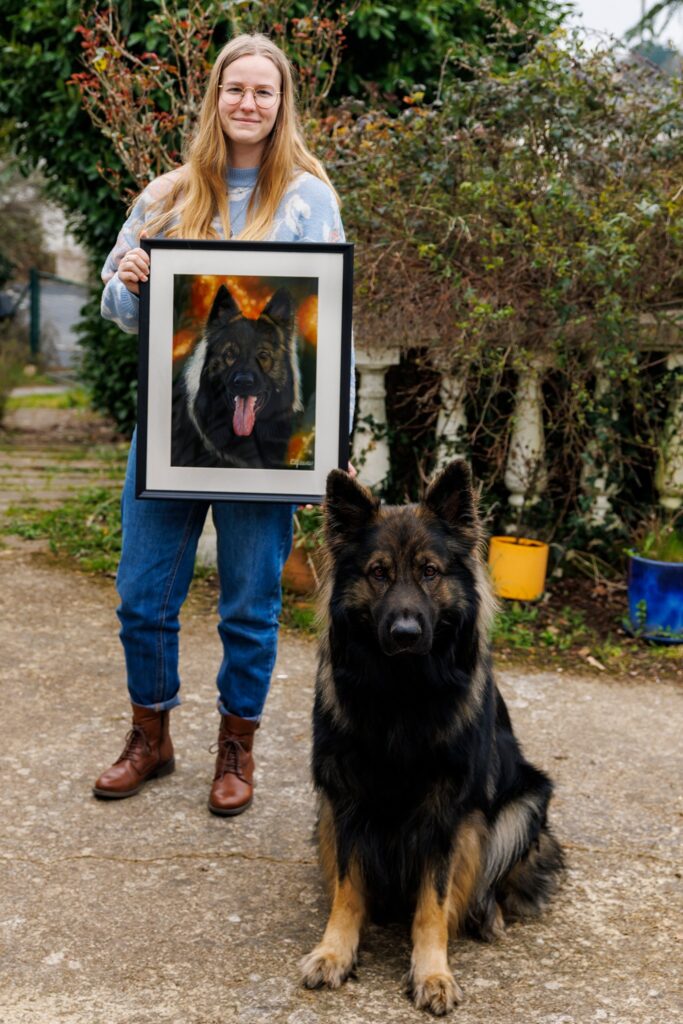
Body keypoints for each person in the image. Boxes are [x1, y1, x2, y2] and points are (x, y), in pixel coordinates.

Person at [93, 32, 353, 816]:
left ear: (281, 105)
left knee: (248, 603)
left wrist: (324, 459)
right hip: (170, 430)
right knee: (142, 597)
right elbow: (118, 309)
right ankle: (152, 735)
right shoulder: (165, 196)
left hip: (269, 449)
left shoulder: (309, 197)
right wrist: (131, 277)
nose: (248, 103)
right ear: (215, 99)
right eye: (234, 90)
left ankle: (235, 748)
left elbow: (328, 331)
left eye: (263, 92)